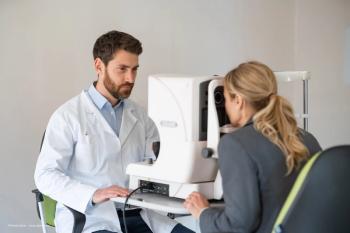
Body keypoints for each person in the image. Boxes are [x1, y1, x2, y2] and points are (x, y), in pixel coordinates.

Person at [34, 30, 194, 233]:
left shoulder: (140, 115)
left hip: (140, 213)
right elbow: (45, 175)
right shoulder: (67, 116)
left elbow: (155, 163)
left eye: (135, 69)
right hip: (93, 217)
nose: (131, 78)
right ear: (99, 66)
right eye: (122, 69)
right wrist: (94, 194)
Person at [184, 61, 322, 233]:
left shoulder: (235, 144)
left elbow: (238, 226)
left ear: (239, 101)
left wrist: (203, 212)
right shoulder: (308, 138)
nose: (225, 107)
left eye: (226, 99)